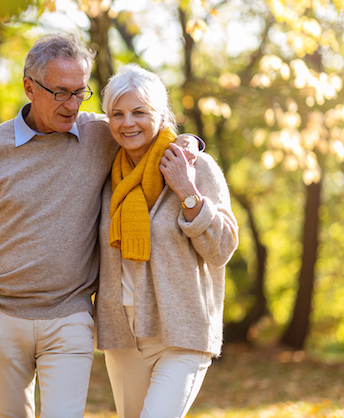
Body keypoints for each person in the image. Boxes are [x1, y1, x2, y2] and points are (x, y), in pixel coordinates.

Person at [0, 34, 201, 418]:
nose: (72, 105)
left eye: (80, 92)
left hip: (70, 315)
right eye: (61, 92)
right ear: (30, 86)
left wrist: (191, 142)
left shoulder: (98, 134)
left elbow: (150, 131)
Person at [96, 64, 239, 418]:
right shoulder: (106, 172)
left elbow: (221, 249)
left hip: (182, 333)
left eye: (139, 112)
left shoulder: (196, 166)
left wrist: (188, 192)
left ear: (161, 115)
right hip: (123, 334)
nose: (128, 122)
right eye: (118, 113)